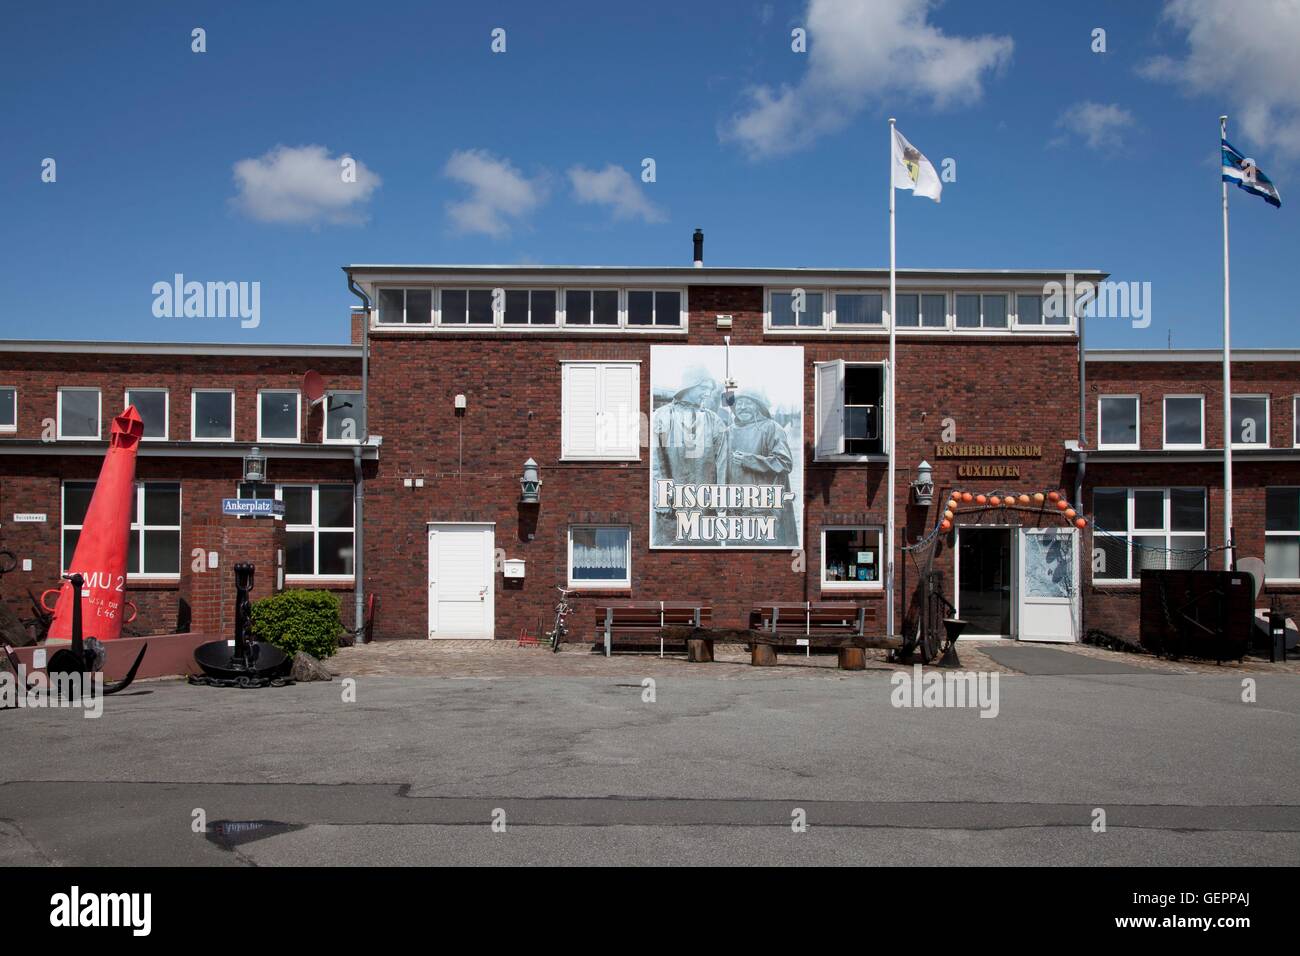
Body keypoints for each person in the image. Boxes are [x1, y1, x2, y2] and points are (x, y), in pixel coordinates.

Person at [651, 367, 728, 546]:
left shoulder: (714, 421)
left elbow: (722, 465)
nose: (708, 393)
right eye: (703, 388)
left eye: (710, 389)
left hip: (705, 508)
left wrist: (721, 502)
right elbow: (656, 465)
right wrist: (661, 500)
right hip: (670, 510)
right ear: (689, 386)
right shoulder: (661, 417)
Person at [723, 389, 798, 545]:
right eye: (739, 403)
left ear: (758, 406)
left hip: (763, 509)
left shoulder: (772, 428)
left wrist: (750, 460)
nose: (742, 407)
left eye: (748, 403)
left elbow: (784, 462)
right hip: (735, 509)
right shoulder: (728, 432)